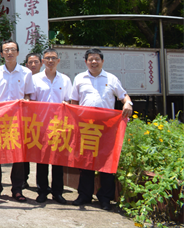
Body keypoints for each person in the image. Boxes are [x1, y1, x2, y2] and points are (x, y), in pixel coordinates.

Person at [70, 48, 133, 211]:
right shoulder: (79, 78)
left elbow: (124, 96)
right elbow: (74, 102)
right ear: (86, 62)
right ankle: (84, 195)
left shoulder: (111, 79)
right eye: (90, 59)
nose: (94, 62)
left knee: (106, 163)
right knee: (85, 162)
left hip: (107, 128)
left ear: (102, 61)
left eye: (97, 59)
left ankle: (105, 198)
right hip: (86, 127)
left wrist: (128, 103)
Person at [0, 40, 34, 202]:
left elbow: (28, 95)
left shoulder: (26, 73)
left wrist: (26, 102)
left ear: (18, 52)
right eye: (6, 50)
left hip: (18, 120)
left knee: (18, 156)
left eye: (13, 49)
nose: (9, 52)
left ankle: (17, 189)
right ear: (1, 54)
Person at [31, 48, 71, 204]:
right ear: (43, 61)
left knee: (58, 161)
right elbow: (32, 102)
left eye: (53, 58)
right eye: (47, 58)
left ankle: (57, 192)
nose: (50, 61)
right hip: (41, 125)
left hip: (59, 125)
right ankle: (42, 191)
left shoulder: (65, 80)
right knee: (41, 160)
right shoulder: (35, 79)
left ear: (58, 61)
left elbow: (69, 101)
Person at [23, 52, 43, 189]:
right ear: (26, 64)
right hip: (26, 120)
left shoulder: (45, 78)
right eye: (30, 62)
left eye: (36, 62)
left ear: (41, 63)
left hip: (43, 121)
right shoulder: (24, 76)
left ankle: (42, 185)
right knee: (25, 151)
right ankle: (23, 179)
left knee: (41, 152)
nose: (33, 65)